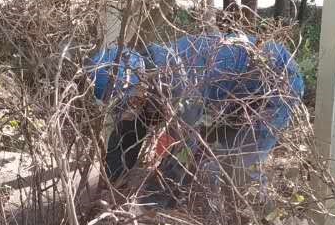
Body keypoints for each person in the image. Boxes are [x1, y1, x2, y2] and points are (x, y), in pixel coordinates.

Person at [86, 33, 304, 207]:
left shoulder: (179, 85)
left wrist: (153, 199)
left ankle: (261, 222)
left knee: (235, 164)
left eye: (129, 100)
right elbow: (129, 128)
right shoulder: (144, 68)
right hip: (233, 92)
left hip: (276, 84)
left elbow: (184, 148)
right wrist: (113, 179)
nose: (129, 107)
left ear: (139, 82)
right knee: (205, 144)